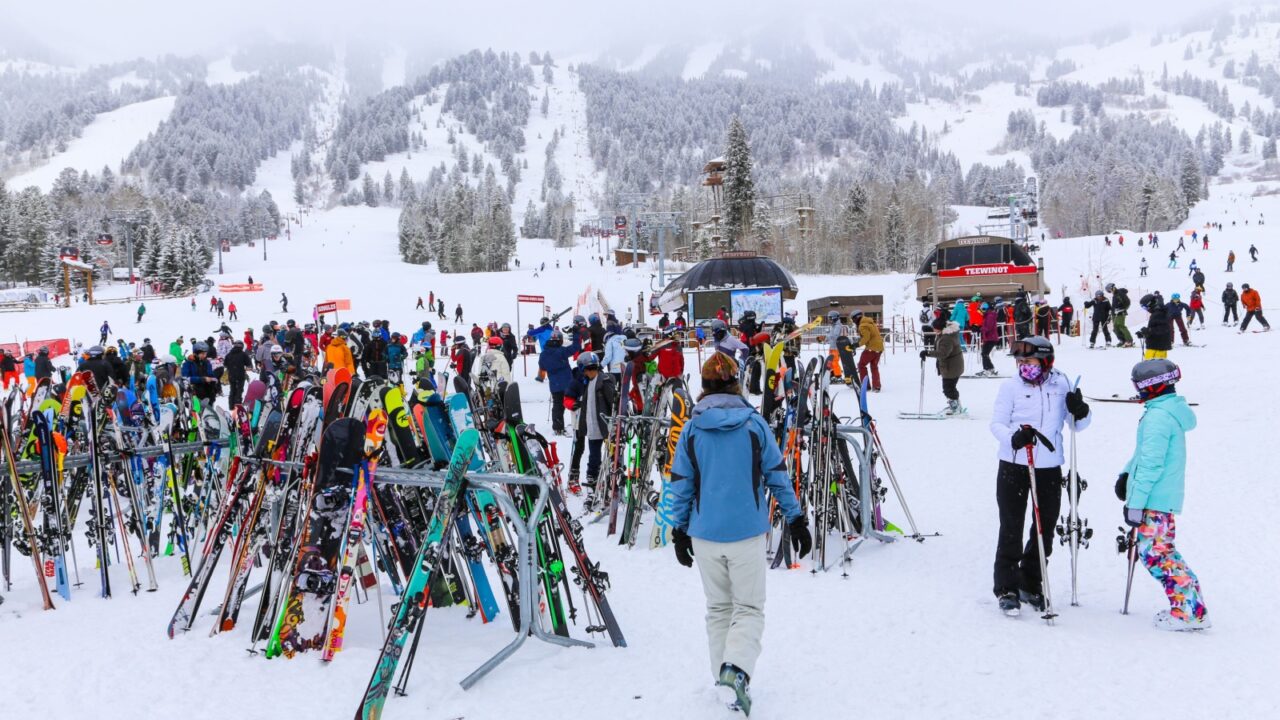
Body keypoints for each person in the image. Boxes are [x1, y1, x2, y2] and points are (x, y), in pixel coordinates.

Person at [668, 353, 811, 715]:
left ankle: (724, 682)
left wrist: (679, 530)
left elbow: (681, 483)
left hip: (704, 534)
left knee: (718, 608)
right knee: (748, 608)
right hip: (746, 532)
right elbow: (777, 474)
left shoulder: (691, 427)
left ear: (704, 386)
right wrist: (796, 519)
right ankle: (736, 673)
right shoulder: (754, 424)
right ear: (736, 383)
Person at [989, 336, 1091, 616]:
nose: (1024, 367)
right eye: (1020, 362)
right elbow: (996, 423)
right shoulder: (1010, 387)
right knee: (1011, 525)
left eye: (1029, 361)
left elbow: (1077, 426)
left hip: (1049, 466)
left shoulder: (1062, 383)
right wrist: (1014, 438)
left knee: (1043, 527)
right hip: (1013, 464)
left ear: (1046, 361)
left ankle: (1030, 582)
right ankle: (1006, 587)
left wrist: (1080, 411)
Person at [1116, 359, 1209, 631]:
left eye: (1139, 386)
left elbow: (1151, 464)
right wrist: (1126, 474)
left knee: (1158, 554)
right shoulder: (1165, 410)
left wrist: (1135, 503)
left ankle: (1190, 611)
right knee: (1158, 552)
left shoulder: (1158, 417)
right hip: (1157, 496)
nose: (1137, 392)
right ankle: (1189, 608)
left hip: (1154, 498)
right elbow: (1142, 455)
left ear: (1152, 387)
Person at [566, 352, 615, 495]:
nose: (590, 373)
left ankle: (606, 476)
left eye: (593, 369)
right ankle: (586, 476)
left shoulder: (603, 381)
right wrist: (574, 404)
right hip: (584, 422)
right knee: (586, 451)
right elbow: (567, 398)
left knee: (605, 452)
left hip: (601, 424)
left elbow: (611, 401)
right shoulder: (577, 381)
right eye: (588, 370)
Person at [539, 330, 581, 435]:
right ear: (560, 340)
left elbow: (542, 367)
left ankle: (558, 428)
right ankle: (577, 425)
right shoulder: (562, 351)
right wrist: (576, 333)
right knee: (573, 403)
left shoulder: (544, 353)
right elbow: (576, 347)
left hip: (554, 384)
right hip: (568, 383)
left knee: (557, 405)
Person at [920, 318, 964, 414]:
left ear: (940, 328)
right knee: (950, 387)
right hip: (952, 365)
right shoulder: (944, 334)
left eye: (935, 328)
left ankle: (955, 408)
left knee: (948, 388)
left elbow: (943, 353)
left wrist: (927, 352)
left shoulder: (947, 338)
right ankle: (956, 405)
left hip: (951, 367)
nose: (933, 330)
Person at [1135, 294, 1173, 359]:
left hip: (1156, 347)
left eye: (1145, 307)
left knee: (1150, 367)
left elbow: (1164, 329)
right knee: (1158, 367)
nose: (1146, 309)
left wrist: (1149, 331)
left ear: (1150, 304)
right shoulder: (1159, 312)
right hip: (1157, 345)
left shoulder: (1159, 313)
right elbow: (1158, 328)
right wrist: (1144, 333)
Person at [853, 311, 883, 391]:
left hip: (871, 349)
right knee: (874, 366)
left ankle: (865, 385)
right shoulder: (870, 323)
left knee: (861, 365)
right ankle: (876, 386)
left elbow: (866, 338)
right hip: (879, 348)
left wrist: (856, 344)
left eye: (853, 320)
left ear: (856, 318)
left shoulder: (863, 325)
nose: (854, 322)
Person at [223, 340, 251, 406]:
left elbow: (225, 364)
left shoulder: (228, 355)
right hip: (240, 375)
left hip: (231, 375)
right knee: (239, 390)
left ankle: (231, 405)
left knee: (232, 389)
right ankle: (238, 404)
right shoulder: (244, 354)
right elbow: (249, 364)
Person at [978, 303, 1001, 376]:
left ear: (988, 309)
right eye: (982, 309)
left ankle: (988, 369)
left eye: (984, 309)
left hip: (991, 338)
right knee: (985, 354)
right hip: (989, 338)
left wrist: (980, 329)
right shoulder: (988, 315)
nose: (982, 311)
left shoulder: (990, 316)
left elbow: (988, 327)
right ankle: (989, 368)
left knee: (984, 354)